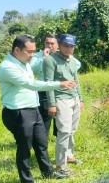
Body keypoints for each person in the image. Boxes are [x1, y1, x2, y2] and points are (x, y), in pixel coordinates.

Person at [0, 35, 77, 182]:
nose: (33, 55)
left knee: (41, 143)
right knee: (24, 148)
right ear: (17, 49)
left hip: (33, 109)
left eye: (34, 51)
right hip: (18, 112)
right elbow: (31, 84)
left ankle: (48, 172)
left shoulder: (24, 62)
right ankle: (26, 179)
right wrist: (59, 84)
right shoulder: (7, 67)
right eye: (30, 52)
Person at [43, 33, 84, 174]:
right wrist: (52, 104)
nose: (68, 49)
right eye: (66, 46)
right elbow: (48, 84)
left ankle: (69, 156)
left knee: (72, 130)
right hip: (61, 100)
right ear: (59, 45)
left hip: (74, 99)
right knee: (64, 131)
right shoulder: (50, 60)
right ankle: (60, 165)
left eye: (71, 46)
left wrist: (81, 99)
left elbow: (76, 79)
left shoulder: (72, 60)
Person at [30, 34, 81, 137]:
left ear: (57, 45)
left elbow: (77, 64)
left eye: (52, 43)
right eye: (47, 43)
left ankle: (59, 136)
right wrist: (44, 59)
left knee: (61, 118)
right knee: (46, 117)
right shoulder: (39, 55)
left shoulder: (64, 55)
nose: (49, 46)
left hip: (60, 91)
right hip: (44, 90)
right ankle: (43, 140)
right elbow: (33, 69)